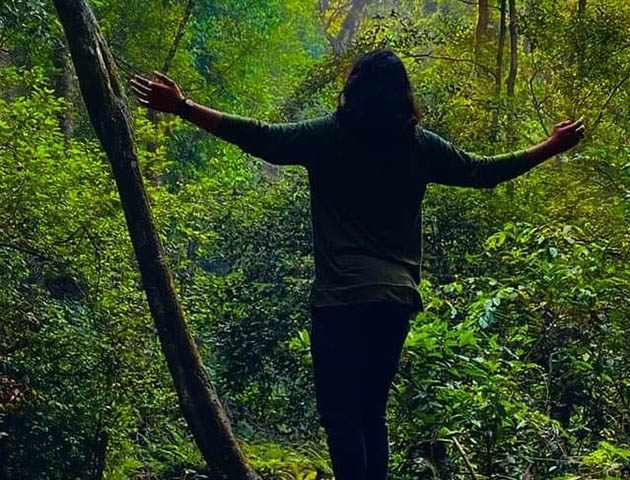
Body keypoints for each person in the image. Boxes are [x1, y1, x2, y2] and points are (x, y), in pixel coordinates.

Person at [130, 49, 585, 480]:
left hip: (341, 299)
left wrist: (185, 106)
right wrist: (550, 146)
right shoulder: (419, 145)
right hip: (393, 300)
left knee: (340, 417)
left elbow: (262, 137)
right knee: (371, 414)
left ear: (354, 90)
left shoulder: (329, 137)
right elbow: (483, 172)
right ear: (402, 97)